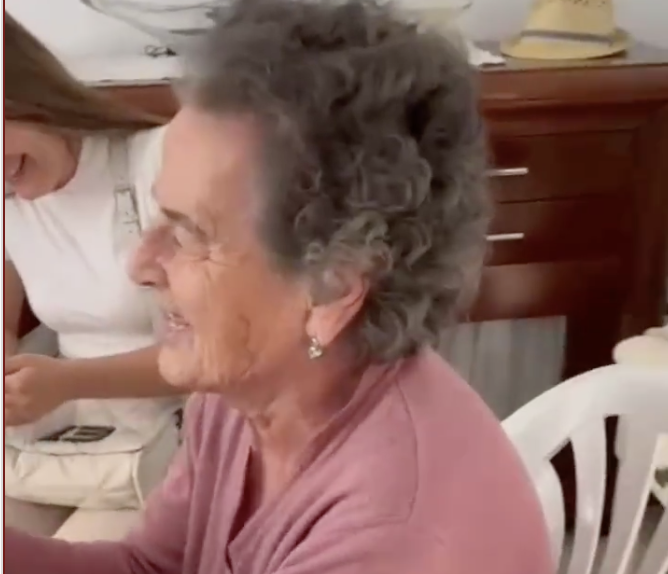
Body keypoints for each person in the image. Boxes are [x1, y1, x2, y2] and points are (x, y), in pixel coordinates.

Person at [5, 0, 554, 572]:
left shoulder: (386, 537)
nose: (140, 264)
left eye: (190, 233)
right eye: (160, 216)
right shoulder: (245, 392)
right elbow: (152, 566)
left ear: (330, 289)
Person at [4, 13, 183, 541]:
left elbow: (219, 353)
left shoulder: (162, 163)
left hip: (179, 431)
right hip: (67, 431)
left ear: (20, 92)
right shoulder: (11, 196)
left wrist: (67, 382)